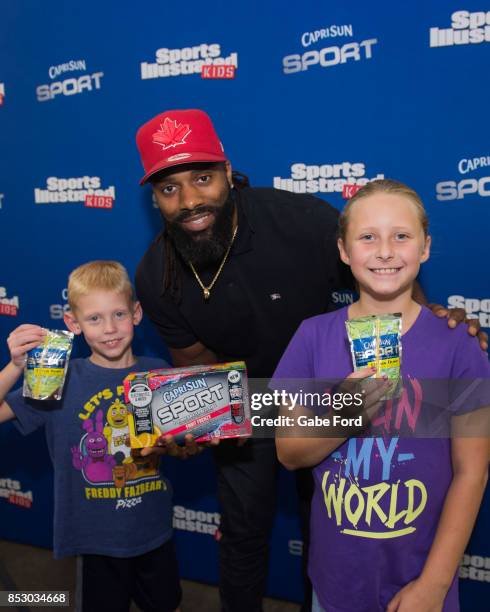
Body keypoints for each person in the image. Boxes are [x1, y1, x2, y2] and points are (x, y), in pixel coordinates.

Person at [134, 109, 487, 612]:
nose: (190, 200)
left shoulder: (303, 221)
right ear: (154, 198)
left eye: (203, 178)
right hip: (253, 408)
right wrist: (191, 421)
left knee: (328, 527)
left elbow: (385, 276)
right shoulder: (156, 276)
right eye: (169, 188)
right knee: (243, 533)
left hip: (336, 382)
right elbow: (196, 367)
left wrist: (439, 321)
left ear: (227, 172)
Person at [274, 179, 490, 612]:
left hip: (424, 579)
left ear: (425, 247)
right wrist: (346, 410)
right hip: (336, 581)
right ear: (343, 250)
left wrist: (433, 585)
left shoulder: (459, 345)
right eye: (368, 237)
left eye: (402, 236)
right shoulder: (313, 337)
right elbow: (289, 453)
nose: (386, 251)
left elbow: (472, 472)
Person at [0, 261, 182, 612]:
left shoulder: (158, 370)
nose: (110, 328)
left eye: (119, 314)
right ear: (73, 323)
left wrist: (176, 443)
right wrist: (15, 368)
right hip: (95, 540)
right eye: (95, 318)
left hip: (155, 530)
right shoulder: (56, 378)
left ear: (137, 313)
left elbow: (181, 444)